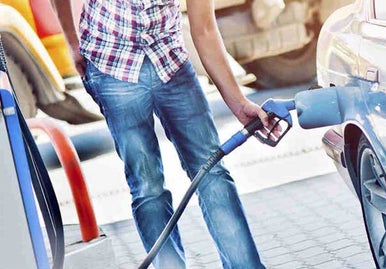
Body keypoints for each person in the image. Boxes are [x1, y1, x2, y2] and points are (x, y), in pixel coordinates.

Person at [50, 0, 276, 268]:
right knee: (148, 186)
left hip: (169, 61)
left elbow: (203, 29)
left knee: (212, 172)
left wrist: (239, 104)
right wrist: (71, 41)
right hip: (112, 66)